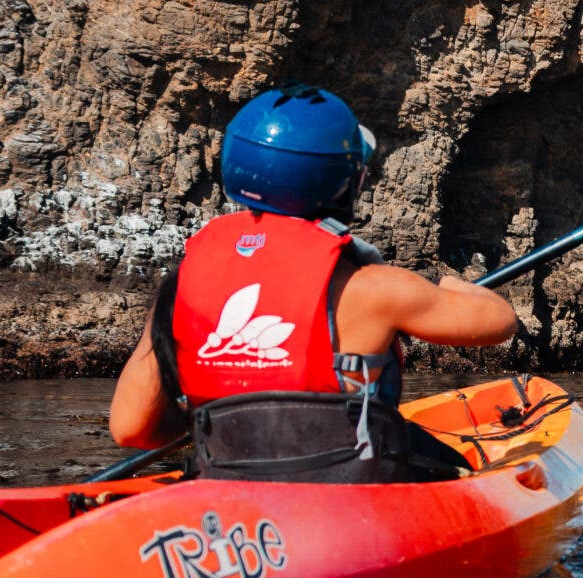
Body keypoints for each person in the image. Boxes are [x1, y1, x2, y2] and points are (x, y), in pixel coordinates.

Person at [108, 85, 519, 482]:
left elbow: (131, 430)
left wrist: (229, 423)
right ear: (345, 182)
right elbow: (500, 321)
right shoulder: (374, 289)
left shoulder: (183, 285)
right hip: (349, 493)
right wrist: (446, 283)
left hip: (229, 485)